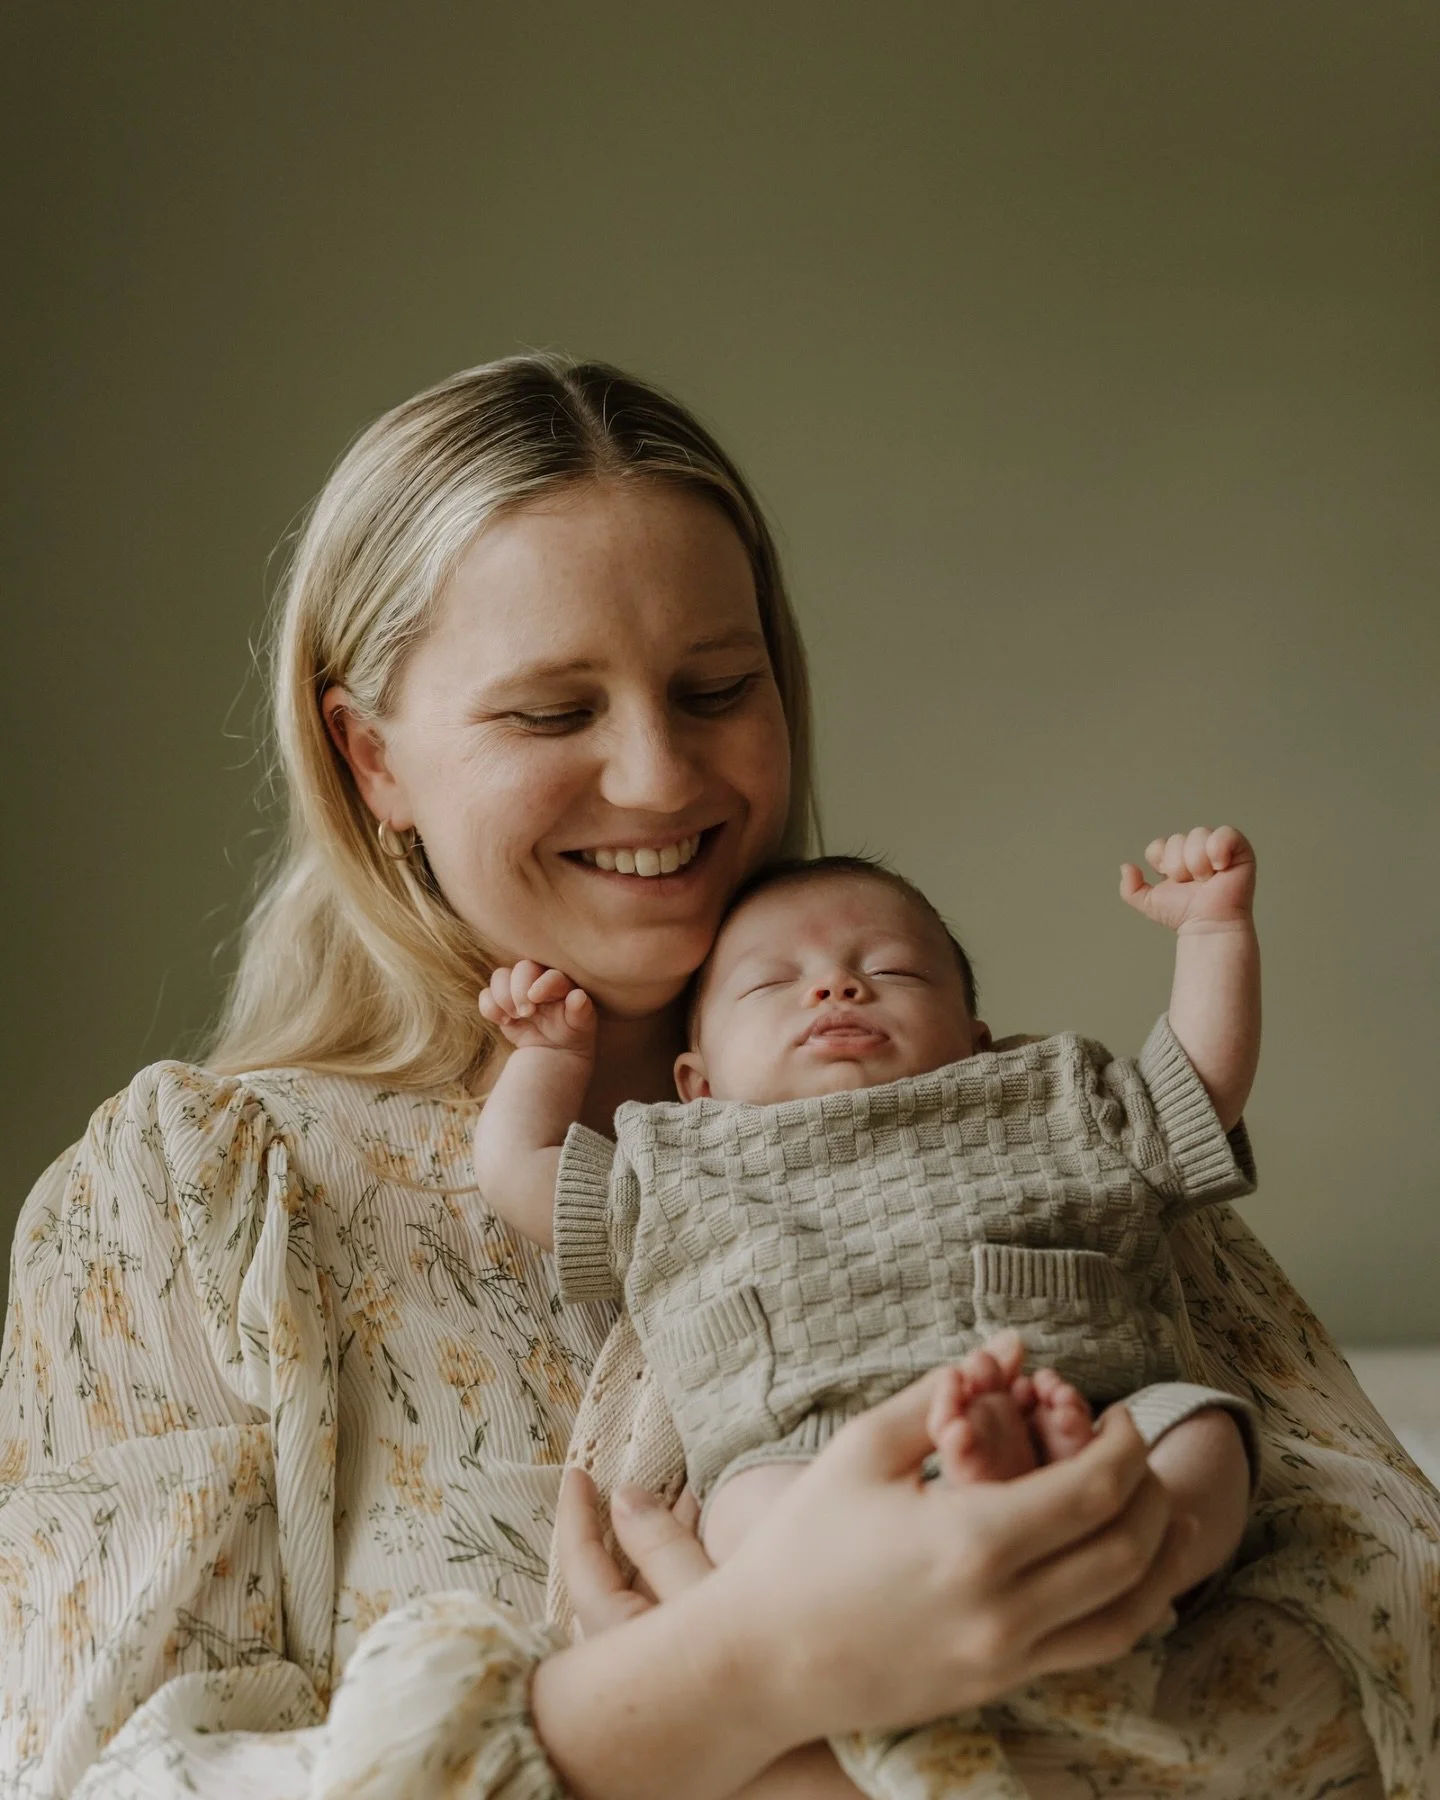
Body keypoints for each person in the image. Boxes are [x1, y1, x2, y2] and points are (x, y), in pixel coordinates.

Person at [0, 354, 1431, 1800]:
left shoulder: (1007, 1137)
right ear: (369, 756)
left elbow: (1397, 1632)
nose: (659, 776)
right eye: (553, 713)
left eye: (715, 687)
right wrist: (734, 1689)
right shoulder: (193, 1211)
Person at [471, 841, 1260, 1566]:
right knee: (748, 1512)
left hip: (1084, 1402)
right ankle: (960, 1558)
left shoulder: (1044, 1096)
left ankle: (1098, 1551)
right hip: (805, 1443)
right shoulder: (678, 1156)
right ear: (696, 1085)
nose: (835, 987)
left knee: (1203, 1439)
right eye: (773, 982)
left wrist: (1213, 934)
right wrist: (549, 1055)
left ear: (977, 1044)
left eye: (896, 973)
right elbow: (515, 1168)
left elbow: (1197, 1090)